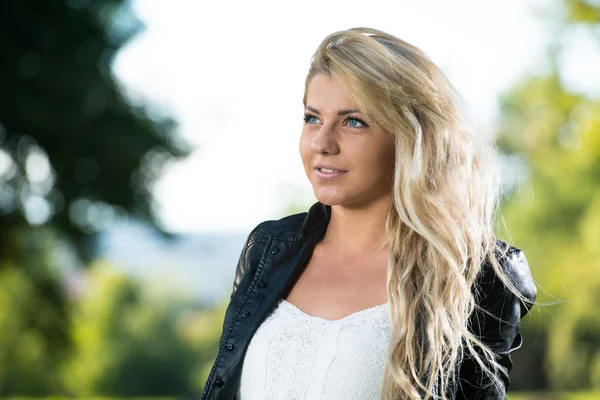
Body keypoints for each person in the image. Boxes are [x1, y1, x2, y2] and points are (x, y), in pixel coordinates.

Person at [200, 27, 537, 400]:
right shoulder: (268, 250)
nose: (322, 143)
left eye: (353, 121)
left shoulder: (475, 274)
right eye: (312, 118)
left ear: (408, 136)